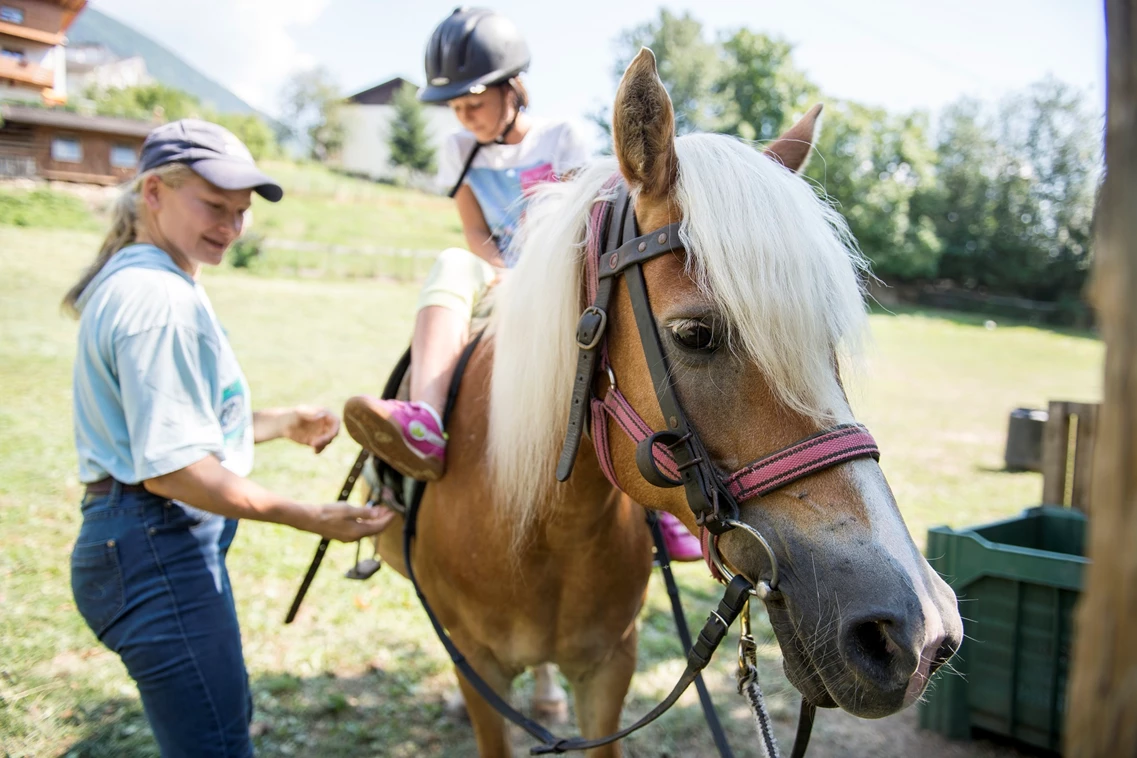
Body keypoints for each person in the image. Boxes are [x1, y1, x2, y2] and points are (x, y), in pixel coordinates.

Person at [65, 119, 393, 758]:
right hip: (155, 546)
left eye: (241, 212)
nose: (232, 227)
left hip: (144, 541)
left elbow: (164, 426)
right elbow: (173, 470)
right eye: (214, 206)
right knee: (215, 745)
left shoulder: (146, 277)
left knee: (220, 719)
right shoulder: (158, 299)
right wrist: (308, 516)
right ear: (153, 192)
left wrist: (276, 423)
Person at [343, 7, 702, 561]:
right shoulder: (457, 153)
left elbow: (585, 223)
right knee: (450, 263)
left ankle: (660, 505)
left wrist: (534, 276)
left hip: (559, 276)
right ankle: (425, 420)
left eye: (475, 102)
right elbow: (473, 231)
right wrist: (504, 273)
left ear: (514, 88)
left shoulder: (561, 138)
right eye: (455, 107)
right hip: (499, 270)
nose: (465, 117)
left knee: (627, 364)